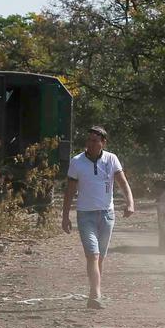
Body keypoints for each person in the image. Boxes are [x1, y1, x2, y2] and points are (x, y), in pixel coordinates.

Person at [61, 126, 134, 308]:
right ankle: (95, 295)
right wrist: (65, 216)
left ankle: (96, 290)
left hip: (107, 215)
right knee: (92, 255)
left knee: (100, 257)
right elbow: (69, 191)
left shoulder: (111, 159)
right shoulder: (77, 162)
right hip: (85, 215)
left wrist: (130, 203)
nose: (91, 144)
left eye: (95, 141)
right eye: (89, 140)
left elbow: (122, 183)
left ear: (103, 142)